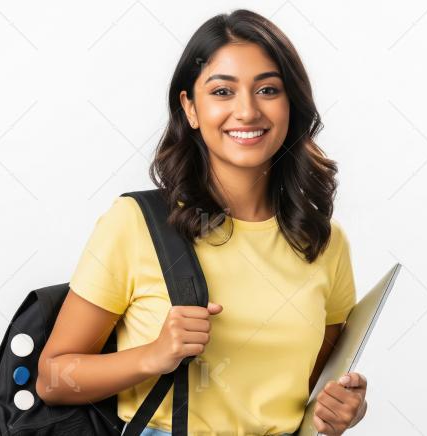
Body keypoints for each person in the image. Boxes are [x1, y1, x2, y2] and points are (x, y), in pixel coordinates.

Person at [36, 8, 368, 435]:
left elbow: (313, 392)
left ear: (292, 105)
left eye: (268, 89)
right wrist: (153, 356)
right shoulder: (136, 224)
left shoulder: (322, 241)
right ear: (190, 107)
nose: (247, 111)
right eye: (222, 92)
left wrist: (340, 410)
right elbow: (52, 378)